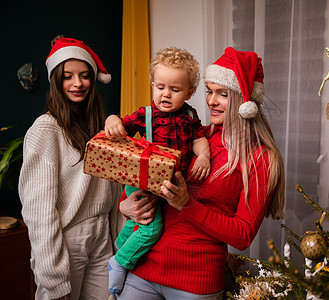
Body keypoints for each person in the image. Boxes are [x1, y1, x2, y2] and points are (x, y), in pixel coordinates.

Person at [117, 46, 286, 299]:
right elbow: (145, 180)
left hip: (196, 281)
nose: (211, 101)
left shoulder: (261, 159)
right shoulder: (195, 135)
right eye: (209, 91)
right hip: (143, 268)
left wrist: (188, 205)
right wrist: (126, 206)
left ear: (245, 102)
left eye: (223, 94)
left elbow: (242, 236)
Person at [18, 37, 134, 300]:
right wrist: (53, 278)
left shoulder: (100, 128)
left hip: (102, 234)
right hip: (68, 238)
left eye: (84, 76)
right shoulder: (45, 130)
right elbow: (39, 211)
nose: (77, 83)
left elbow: (114, 190)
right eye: (68, 76)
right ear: (56, 81)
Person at [104, 47, 211, 296]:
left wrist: (203, 154)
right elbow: (123, 125)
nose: (166, 94)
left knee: (140, 223)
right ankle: (119, 262)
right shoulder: (146, 114)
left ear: (189, 93)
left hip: (169, 183)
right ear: (153, 85)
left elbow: (198, 138)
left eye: (175, 90)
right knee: (151, 227)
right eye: (160, 87)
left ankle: (122, 247)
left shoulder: (190, 115)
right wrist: (112, 119)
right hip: (142, 180)